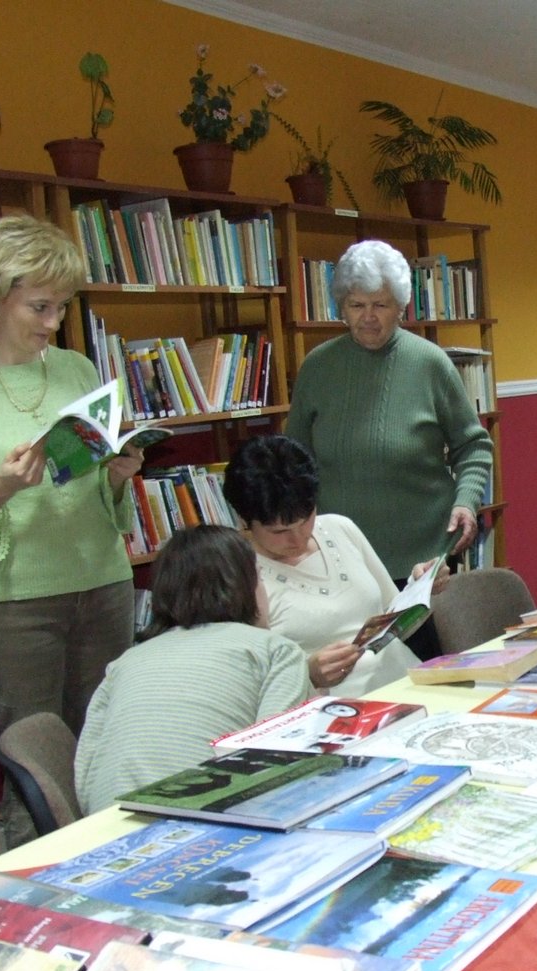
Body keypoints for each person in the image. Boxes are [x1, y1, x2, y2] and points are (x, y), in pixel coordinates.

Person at [0, 215, 143, 838]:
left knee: (106, 753)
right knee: (34, 778)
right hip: (13, 606)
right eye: (40, 306)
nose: (53, 323)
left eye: (62, 306)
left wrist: (118, 476)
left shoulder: (78, 371)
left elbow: (94, 490)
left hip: (104, 585)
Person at [284, 239, 493, 659]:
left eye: (380, 305)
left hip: (420, 564)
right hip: (341, 564)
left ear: (401, 306)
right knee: (361, 673)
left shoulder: (430, 363)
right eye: (356, 305)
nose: (368, 317)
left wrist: (466, 502)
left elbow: (473, 445)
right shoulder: (318, 367)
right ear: (341, 307)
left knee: (426, 670)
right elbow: (294, 460)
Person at [74, 525, 308, 813]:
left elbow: (85, 773)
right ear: (245, 586)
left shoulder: (124, 663)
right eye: (259, 577)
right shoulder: (276, 651)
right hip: (206, 820)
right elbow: (275, 764)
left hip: (106, 822)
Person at [223, 434, 439, 694]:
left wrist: (420, 585)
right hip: (338, 707)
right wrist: (307, 673)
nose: (298, 538)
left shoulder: (339, 528)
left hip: (408, 682)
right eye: (280, 531)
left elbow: (394, 616)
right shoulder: (241, 576)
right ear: (244, 520)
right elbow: (248, 680)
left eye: (306, 519)